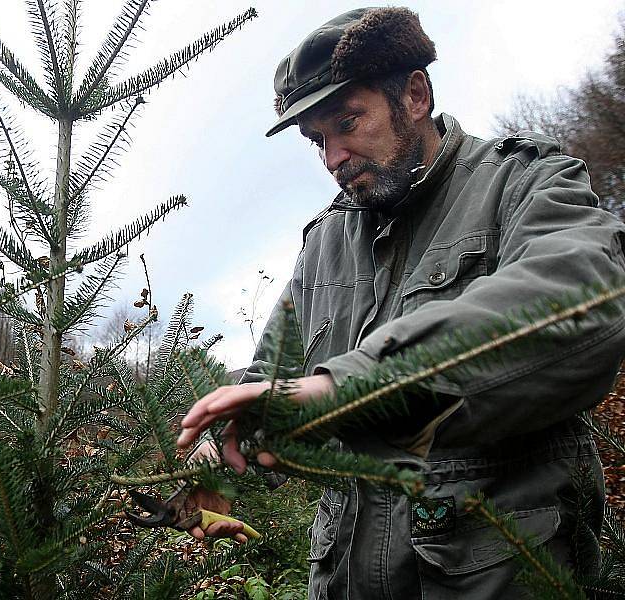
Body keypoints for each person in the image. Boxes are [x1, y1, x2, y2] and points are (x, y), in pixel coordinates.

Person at [176, 7, 625, 598]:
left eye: (349, 122)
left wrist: (362, 388)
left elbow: (582, 299)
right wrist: (217, 463)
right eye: (318, 141)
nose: (333, 158)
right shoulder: (326, 243)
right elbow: (276, 385)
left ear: (415, 95)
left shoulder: (524, 184)